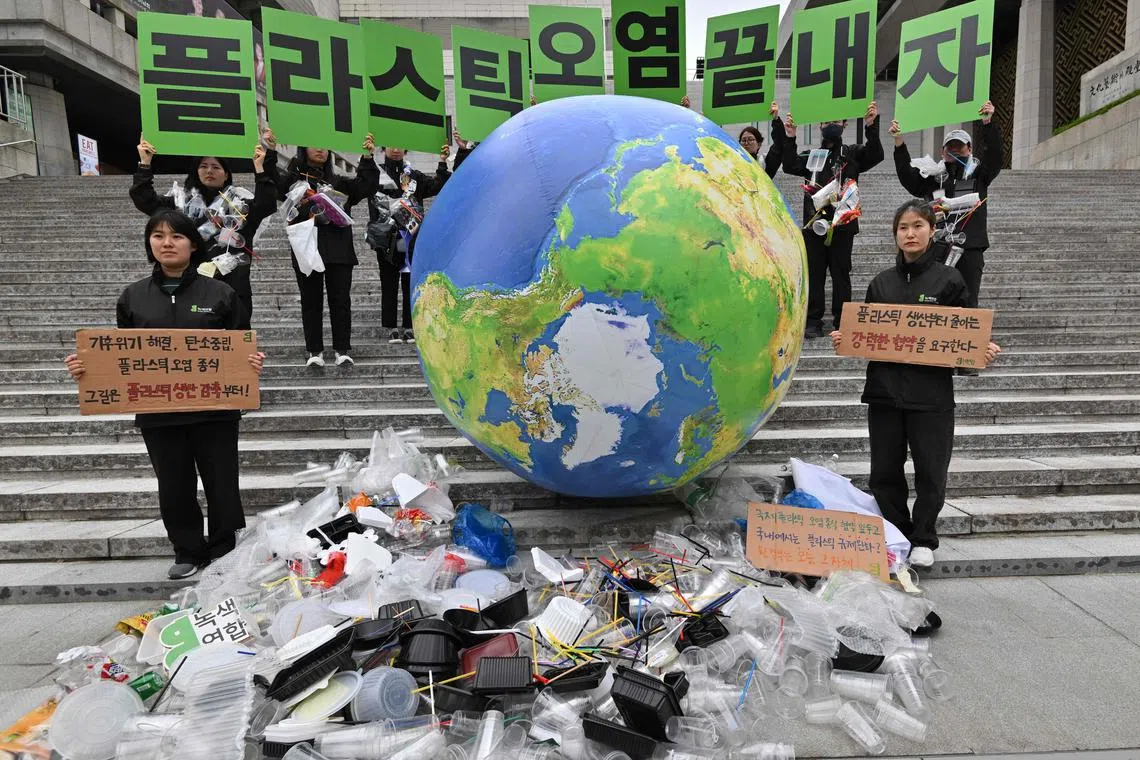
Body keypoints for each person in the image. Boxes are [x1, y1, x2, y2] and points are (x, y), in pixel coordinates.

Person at [63, 209, 265, 580]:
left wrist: (250, 362)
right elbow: (120, 354)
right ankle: (186, 549)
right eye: (158, 236)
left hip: (214, 410)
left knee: (222, 482)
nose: (167, 243)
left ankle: (223, 549)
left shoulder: (220, 293)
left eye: (176, 236)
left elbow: (241, 343)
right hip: (159, 411)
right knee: (173, 483)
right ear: (149, 244)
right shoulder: (133, 297)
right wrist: (87, 368)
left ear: (192, 244)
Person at [830, 200, 1001, 568]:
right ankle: (897, 535)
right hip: (885, 394)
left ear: (931, 230)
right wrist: (846, 337)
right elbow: (868, 334)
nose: (910, 233)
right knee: (884, 472)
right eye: (903, 227)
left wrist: (978, 352)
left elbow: (965, 335)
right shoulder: (881, 283)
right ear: (896, 235)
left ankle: (924, 538)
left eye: (917, 226)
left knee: (931, 470)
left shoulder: (949, 280)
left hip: (932, 396)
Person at [131, 130, 279, 328]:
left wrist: (262, 167)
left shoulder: (239, 205)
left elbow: (267, 203)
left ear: (226, 174)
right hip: (189, 287)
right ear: (196, 171)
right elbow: (144, 199)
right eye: (204, 166)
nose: (209, 171)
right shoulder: (180, 204)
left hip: (233, 287)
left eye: (216, 167)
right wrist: (145, 163)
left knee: (236, 346)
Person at [782, 102, 884, 339]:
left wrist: (871, 126)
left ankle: (843, 320)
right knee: (815, 274)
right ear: (819, 125)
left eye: (836, 122)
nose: (831, 126)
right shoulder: (811, 156)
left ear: (845, 125)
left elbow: (876, 154)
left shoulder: (853, 154)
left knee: (841, 274)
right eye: (827, 122)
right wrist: (790, 136)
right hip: (814, 225)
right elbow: (789, 165)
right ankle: (813, 320)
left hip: (843, 224)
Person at [278, 136, 380, 367]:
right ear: (303, 147)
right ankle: (315, 351)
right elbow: (274, 186)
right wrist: (270, 153)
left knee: (340, 300)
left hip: (338, 249)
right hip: (306, 248)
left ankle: (342, 350)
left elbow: (366, 186)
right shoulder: (293, 183)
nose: (321, 149)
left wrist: (366, 156)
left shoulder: (339, 183)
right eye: (315, 143)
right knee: (310, 301)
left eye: (325, 145)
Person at [889, 101, 1002, 310]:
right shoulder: (933, 177)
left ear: (969, 149)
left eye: (960, 146)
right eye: (950, 147)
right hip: (936, 247)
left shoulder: (979, 175)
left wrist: (987, 123)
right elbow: (908, 177)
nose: (955, 151)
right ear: (942, 153)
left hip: (969, 247)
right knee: (934, 298)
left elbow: (995, 157)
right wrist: (899, 142)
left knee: (968, 300)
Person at [367, 142, 453, 344]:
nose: (395, 149)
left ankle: (409, 325)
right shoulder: (375, 174)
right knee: (388, 282)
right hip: (386, 238)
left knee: (409, 282)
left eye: (400, 146)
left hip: (410, 238)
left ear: (405, 149)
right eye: (390, 145)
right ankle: (390, 326)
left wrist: (442, 162)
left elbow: (437, 185)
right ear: (383, 148)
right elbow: (362, 186)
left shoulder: (414, 175)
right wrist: (367, 157)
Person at [738, 102, 787, 178]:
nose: (746, 143)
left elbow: (779, 144)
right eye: (743, 140)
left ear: (759, 144)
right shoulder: (733, 161)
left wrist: (776, 119)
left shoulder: (765, 164)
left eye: (750, 139)